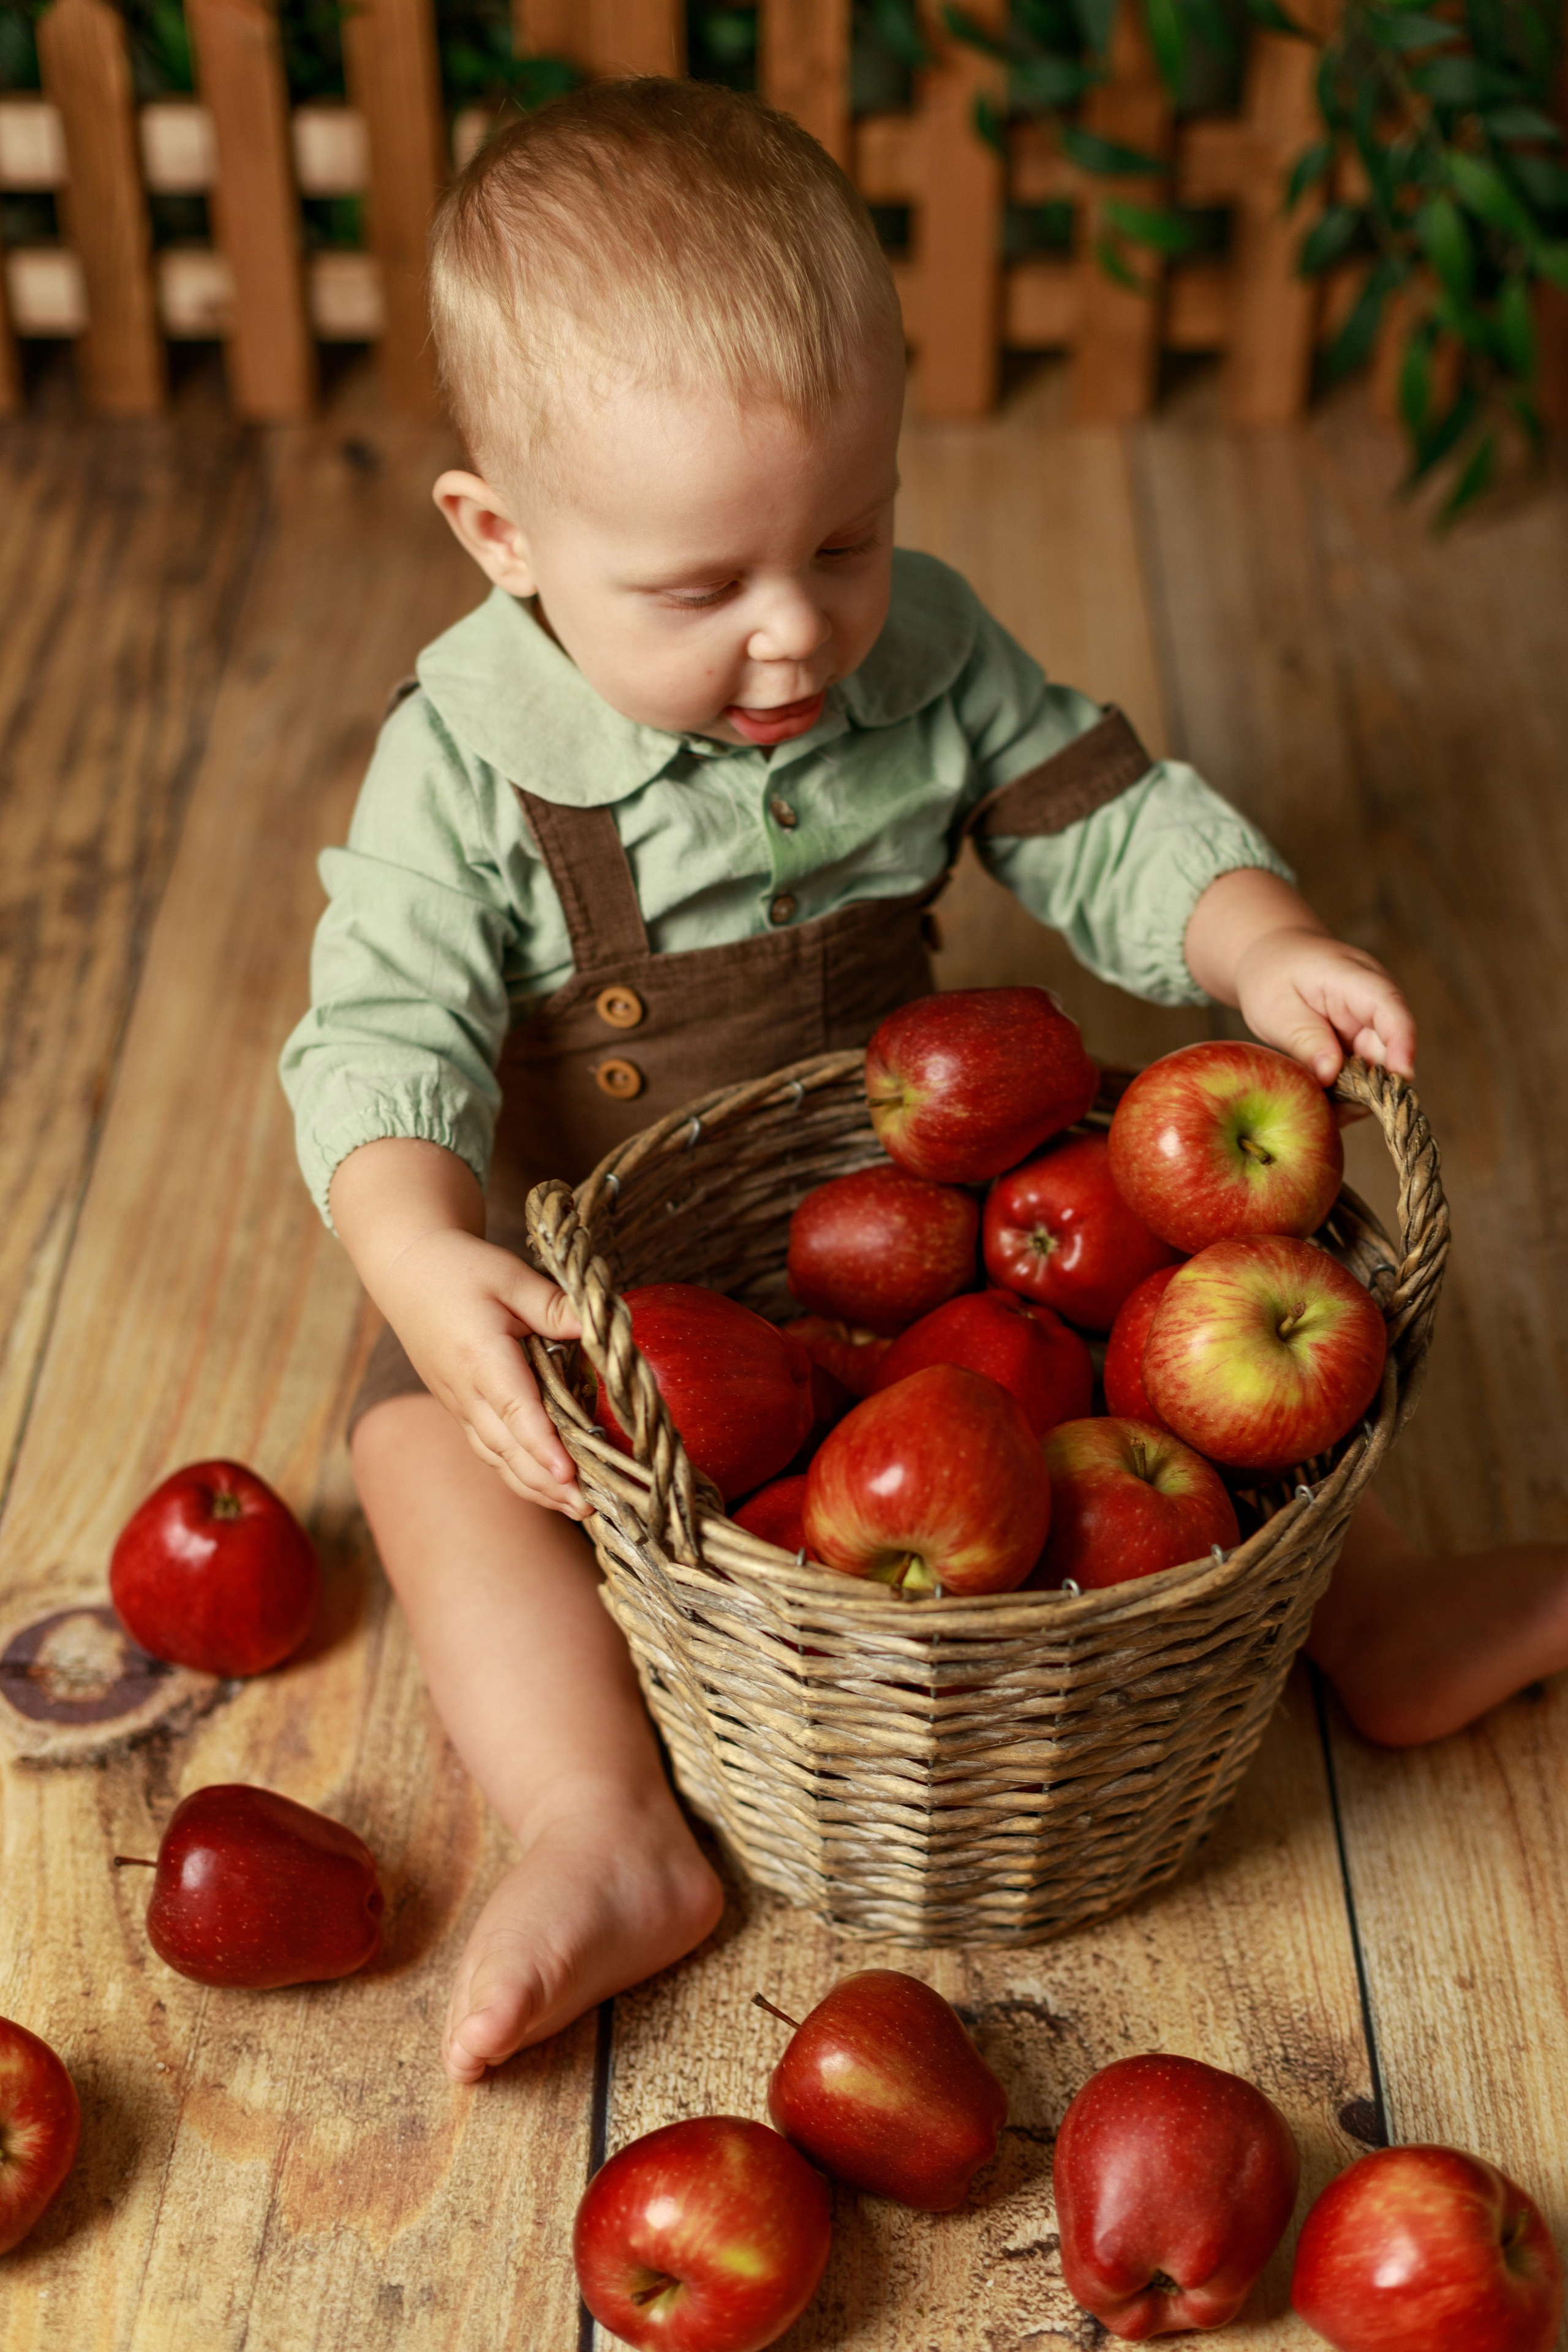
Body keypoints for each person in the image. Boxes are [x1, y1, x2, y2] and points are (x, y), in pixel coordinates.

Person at [281, 77, 1567, 2084]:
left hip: (938, 1208)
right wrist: (424, 1256)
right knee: (426, 1461)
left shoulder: (927, 648)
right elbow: (382, 1031)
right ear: (501, 534)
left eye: (849, 537)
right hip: (609, 1276)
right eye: (701, 591)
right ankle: (604, 1827)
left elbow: (1106, 817)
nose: (799, 631)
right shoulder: (467, 756)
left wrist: (1260, 941)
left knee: (1165, 1330)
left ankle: (1365, 1619)